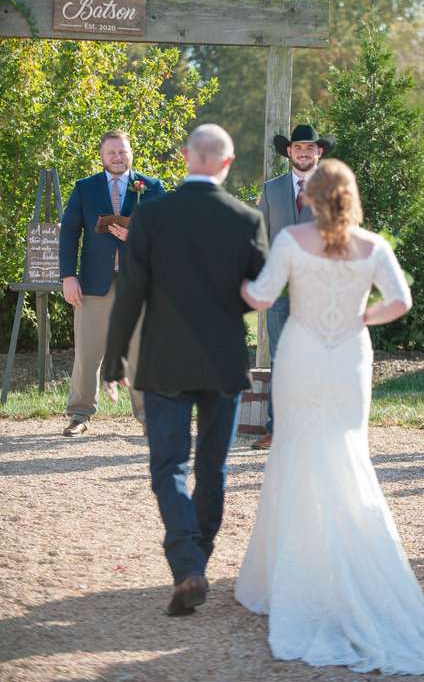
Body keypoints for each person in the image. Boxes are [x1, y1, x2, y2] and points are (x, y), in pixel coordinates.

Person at [235, 159, 424, 674]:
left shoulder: (292, 241)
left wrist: (237, 282)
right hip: (348, 359)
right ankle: (354, 563)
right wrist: (365, 316)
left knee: (297, 450)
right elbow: (401, 301)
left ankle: (293, 578)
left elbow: (262, 297)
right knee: (345, 452)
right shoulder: (373, 245)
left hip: (301, 353)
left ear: (309, 198)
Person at [102, 124, 267, 616]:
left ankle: (187, 564)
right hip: (222, 361)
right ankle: (200, 559)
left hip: (164, 360)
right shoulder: (246, 218)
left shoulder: (152, 215)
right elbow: (257, 294)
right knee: (212, 468)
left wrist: (113, 359)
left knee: (168, 465)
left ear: (185, 157)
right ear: (227, 162)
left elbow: (130, 292)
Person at [59, 130, 165, 437]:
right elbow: (69, 233)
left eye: (122, 151)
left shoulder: (152, 187)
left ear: (131, 153)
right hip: (93, 284)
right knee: (87, 352)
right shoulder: (85, 188)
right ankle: (79, 415)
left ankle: (148, 416)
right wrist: (67, 276)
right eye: (111, 153)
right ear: (102, 157)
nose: (118, 157)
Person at [252, 123, 336, 450]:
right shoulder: (271, 190)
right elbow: (260, 236)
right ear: (289, 152)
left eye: (309, 148)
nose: (303, 153)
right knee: (281, 356)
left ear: (319, 152)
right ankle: (278, 428)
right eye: (298, 148)